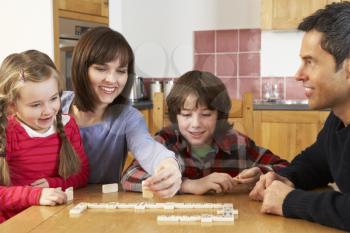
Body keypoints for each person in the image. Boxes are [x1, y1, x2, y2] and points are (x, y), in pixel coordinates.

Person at [249, 2, 350, 231]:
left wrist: (289, 201)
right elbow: (314, 163)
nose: (298, 75)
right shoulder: (337, 120)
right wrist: (284, 178)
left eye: (310, 62)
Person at [121, 70, 289, 195]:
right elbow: (128, 177)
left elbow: (286, 168)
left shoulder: (237, 142)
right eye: (186, 115)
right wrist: (189, 185)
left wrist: (261, 173)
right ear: (175, 116)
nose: (195, 124)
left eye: (206, 114)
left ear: (219, 116)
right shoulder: (165, 141)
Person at [61, 26, 181, 198]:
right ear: (82, 69)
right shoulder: (55, 106)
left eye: (121, 71)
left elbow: (147, 148)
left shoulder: (128, 118)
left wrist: (169, 166)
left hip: (102, 207)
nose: (112, 80)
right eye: (101, 69)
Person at [0, 50, 89, 222]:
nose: (48, 110)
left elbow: (83, 174)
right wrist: (34, 195)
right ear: (12, 106)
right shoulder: (6, 132)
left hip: (54, 219)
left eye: (53, 98)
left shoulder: (68, 125)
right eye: (35, 105)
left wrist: (53, 184)